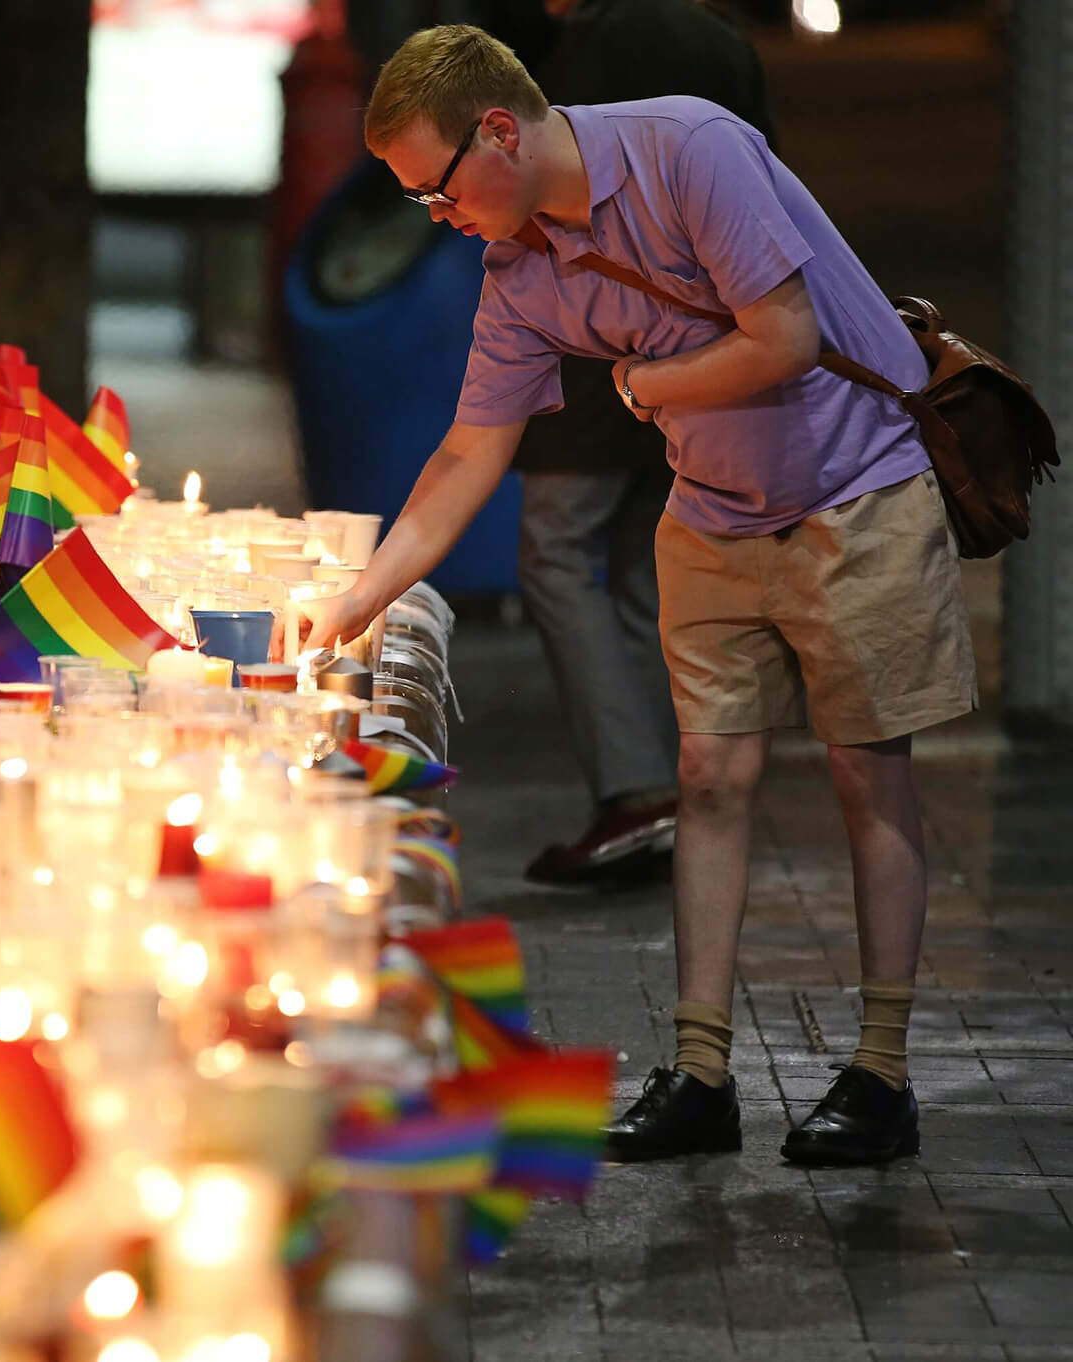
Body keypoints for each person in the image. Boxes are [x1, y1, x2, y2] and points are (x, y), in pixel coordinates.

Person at [301, 25, 975, 1165]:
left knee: (868, 773)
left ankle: (879, 1070)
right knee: (706, 775)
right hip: (710, 509)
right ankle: (701, 1072)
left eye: (438, 188)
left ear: (499, 131)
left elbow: (784, 338)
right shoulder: (517, 269)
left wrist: (639, 383)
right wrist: (356, 598)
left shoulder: (689, 150)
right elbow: (469, 453)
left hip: (856, 493)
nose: (438, 217)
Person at [501, 0, 777, 888]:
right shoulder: (720, 43)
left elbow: (541, 192)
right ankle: (673, 794)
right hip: (712, 339)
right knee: (640, 565)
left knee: (555, 550)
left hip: (599, 342)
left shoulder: (582, 50)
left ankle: (635, 793)